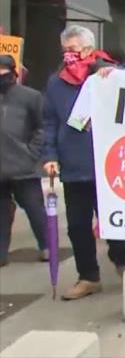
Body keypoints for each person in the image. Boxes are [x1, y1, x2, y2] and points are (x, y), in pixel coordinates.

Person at [43, 25, 125, 300]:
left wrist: (112, 77)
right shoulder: (55, 83)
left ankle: (123, 262)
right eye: (65, 50)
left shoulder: (108, 75)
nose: (69, 56)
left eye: (74, 50)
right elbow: (50, 122)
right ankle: (88, 276)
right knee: (78, 226)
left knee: (111, 221)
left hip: (105, 164)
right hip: (73, 166)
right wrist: (50, 156)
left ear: (89, 50)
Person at [0, 55, 48, 267]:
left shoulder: (31, 96)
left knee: (34, 207)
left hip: (23, 165)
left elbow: (42, 127)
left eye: (3, 70)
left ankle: (47, 246)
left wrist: (31, 153)